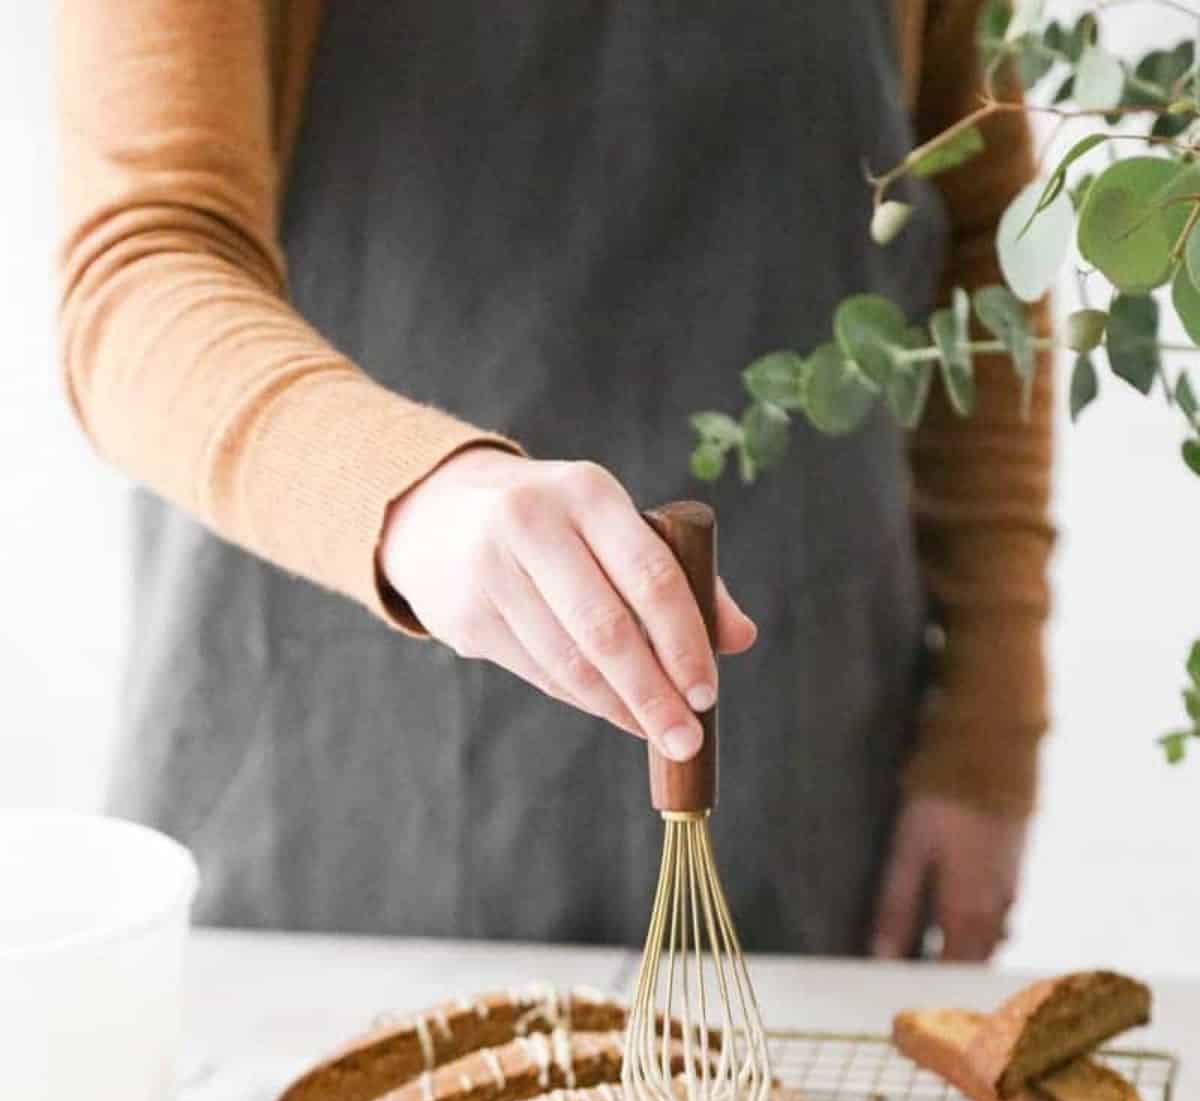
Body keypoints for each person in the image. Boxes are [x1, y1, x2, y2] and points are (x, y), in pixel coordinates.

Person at [55, 0, 1051, 958]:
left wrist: (989, 721)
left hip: (795, 755)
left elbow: (985, 242)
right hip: (323, 762)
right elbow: (140, 270)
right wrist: (414, 495)